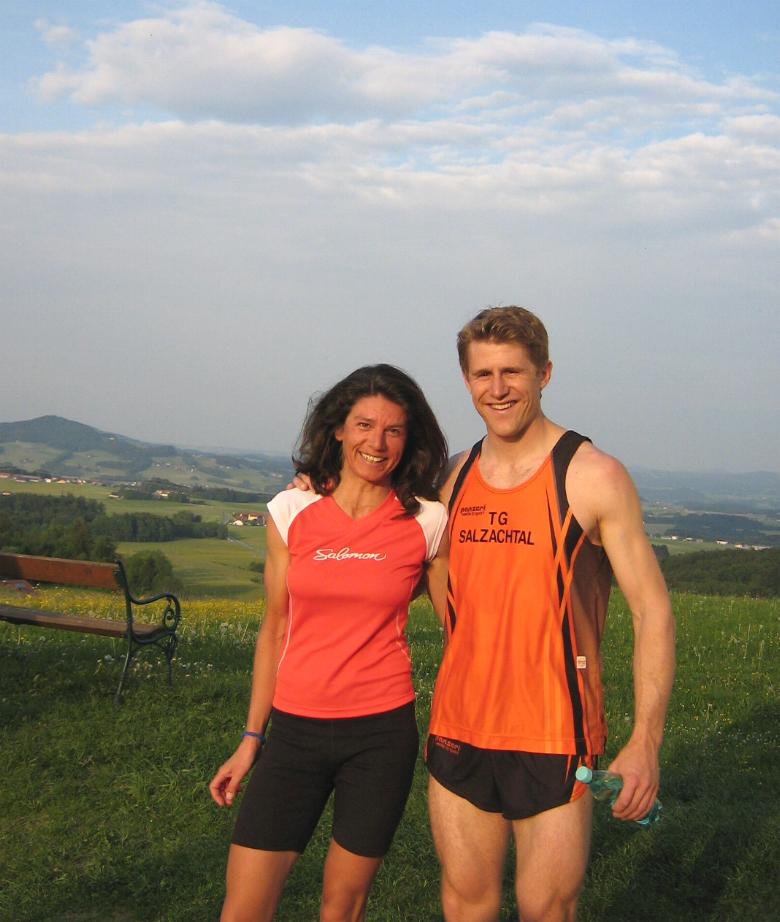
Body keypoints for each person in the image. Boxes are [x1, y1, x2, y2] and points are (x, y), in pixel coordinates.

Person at [425, 306, 676, 922]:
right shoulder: (450, 478)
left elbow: (653, 613)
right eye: (483, 374)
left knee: (546, 907)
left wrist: (645, 742)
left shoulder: (592, 476)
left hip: (554, 733)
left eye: (513, 371)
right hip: (459, 723)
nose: (498, 388)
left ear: (544, 373)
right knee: (465, 900)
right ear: (466, 380)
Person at [209, 363, 449, 922]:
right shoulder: (291, 509)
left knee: (342, 907)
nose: (377, 443)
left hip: (382, 736)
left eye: (393, 430)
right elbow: (274, 628)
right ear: (338, 429)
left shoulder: (428, 521)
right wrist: (251, 738)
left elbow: (457, 629)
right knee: (244, 906)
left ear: (408, 440)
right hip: (294, 733)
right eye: (364, 425)